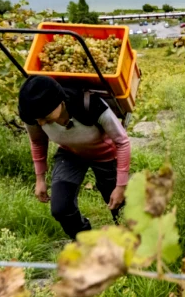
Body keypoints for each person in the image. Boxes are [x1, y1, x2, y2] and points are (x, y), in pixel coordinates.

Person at [17, 75, 130, 239]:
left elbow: (122, 142)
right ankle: (84, 240)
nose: (41, 123)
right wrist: (40, 179)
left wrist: (120, 186)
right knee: (61, 208)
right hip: (70, 154)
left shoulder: (91, 105)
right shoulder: (34, 115)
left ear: (61, 102)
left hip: (105, 154)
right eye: (38, 119)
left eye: (46, 117)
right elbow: (37, 142)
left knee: (119, 205)